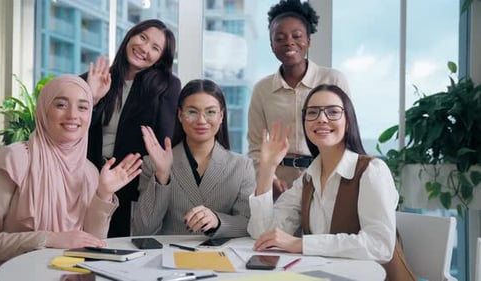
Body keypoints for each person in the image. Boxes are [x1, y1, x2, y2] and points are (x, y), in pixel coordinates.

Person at [0, 75, 142, 280]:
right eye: (61, 105)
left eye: (83, 107)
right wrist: (48, 239)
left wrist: (104, 194)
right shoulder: (13, 161)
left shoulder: (90, 171)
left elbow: (90, 244)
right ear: (44, 110)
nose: (73, 115)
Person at [248, 84, 416, 281]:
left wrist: (300, 244)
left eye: (333, 112)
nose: (321, 119)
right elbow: (263, 234)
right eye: (312, 112)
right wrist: (267, 168)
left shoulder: (371, 171)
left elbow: (379, 245)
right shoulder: (307, 179)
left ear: (349, 121)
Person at [83, 19, 182, 237]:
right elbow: (73, 131)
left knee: (120, 250)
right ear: (130, 36)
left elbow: (164, 141)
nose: (144, 48)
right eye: (142, 37)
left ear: (160, 59)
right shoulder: (96, 79)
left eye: (155, 48)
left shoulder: (166, 86)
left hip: (132, 183)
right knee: (84, 247)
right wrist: (92, 98)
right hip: (88, 179)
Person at [247, 0, 350, 198]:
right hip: (279, 183)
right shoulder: (262, 89)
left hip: (324, 178)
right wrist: (268, 178)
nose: (289, 42)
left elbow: (347, 135)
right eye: (280, 37)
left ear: (308, 41)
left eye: (297, 36)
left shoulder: (333, 80)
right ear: (271, 45)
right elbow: (255, 148)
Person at [132, 79, 255, 238]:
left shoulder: (242, 166)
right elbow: (142, 231)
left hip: (220, 259)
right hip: (166, 257)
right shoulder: (152, 163)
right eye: (192, 112)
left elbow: (249, 225)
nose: (201, 120)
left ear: (221, 116)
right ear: (180, 115)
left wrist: (218, 221)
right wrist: (162, 175)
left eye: (210, 112)